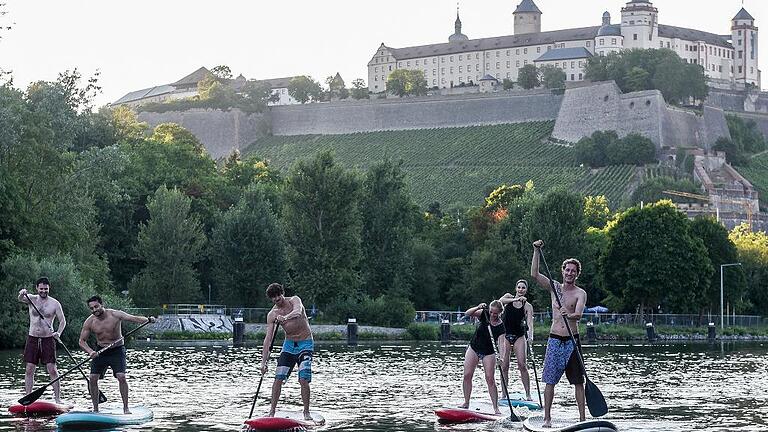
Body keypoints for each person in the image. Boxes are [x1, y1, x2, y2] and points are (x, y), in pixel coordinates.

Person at [530, 239, 587, 427]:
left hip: (572, 341)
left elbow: (578, 314)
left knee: (579, 382)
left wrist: (568, 314)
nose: (569, 273)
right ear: (563, 271)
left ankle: (582, 419)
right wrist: (536, 251)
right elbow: (535, 274)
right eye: (567, 270)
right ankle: (547, 418)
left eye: (573, 271)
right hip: (555, 339)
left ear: (577, 274)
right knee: (550, 381)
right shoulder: (554, 287)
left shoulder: (580, 293)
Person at [78, 295, 155, 413]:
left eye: (96, 306)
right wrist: (90, 351)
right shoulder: (90, 321)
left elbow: (133, 318)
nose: (94, 310)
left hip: (117, 350)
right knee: (93, 378)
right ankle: (95, 409)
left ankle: (126, 408)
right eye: (92, 308)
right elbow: (81, 342)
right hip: (100, 351)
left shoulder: (115, 314)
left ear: (102, 304)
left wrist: (148, 320)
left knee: (121, 377)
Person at [260, 283, 314, 421]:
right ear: (271, 299)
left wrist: (285, 318)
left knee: (303, 379)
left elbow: (298, 311)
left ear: (282, 293)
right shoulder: (272, 315)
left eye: (278, 295)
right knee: (278, 378)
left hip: (305, 342)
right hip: (289, 345)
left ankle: (306, 412)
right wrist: (263, 362)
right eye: (273, 297)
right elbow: (268, 339)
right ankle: (271, 412)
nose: (277, 298)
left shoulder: (294, 300)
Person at [17, 277, 66, 403]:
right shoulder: (31, 299)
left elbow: (62, 321)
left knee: (52, 369)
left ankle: (57, 399)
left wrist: (58, 333)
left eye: (46, 289)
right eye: (41, 289)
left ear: (49, 288)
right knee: (29, 368)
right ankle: (28, 396)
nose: (43, 291)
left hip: (48, 339)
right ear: (37, 288)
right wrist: (22, 293)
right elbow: (20, 299)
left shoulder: (55, 303)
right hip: (32, 337)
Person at [459, 301, 506, 415]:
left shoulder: (501, 326)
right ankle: (466, 402)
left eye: (495, 313)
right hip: (474, 348)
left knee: (490, 379)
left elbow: (502, 343)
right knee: (467, 375)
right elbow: (467, 313)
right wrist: (477, 307)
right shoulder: (483, 314)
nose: (492, 315)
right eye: (491, 312)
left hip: (489, 352)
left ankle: (495, 408)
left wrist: (501, 357)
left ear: (500, 313)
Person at [499, 279, 534, 400]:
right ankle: (504, 394)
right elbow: (499, 302)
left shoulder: (527, 306)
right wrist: (516, 299)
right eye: (519, 287)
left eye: (523, 288)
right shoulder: (508, 297)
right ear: (516, 288)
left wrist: (530, 336)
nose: (521, 290)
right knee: (504, 366)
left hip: (519, 336)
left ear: (526, 290)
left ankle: (528, 394)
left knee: (522, 365)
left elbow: (530, 322)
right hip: (505, 335)